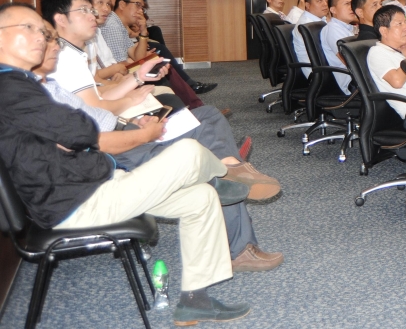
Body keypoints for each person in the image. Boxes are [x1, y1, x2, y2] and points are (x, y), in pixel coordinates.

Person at [0, 3, 250, 325]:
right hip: (76, 203)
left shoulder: (23, 84)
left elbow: (74, 131)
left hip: (90, 185)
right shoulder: (11, 87)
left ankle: (196, 299)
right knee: (188, 151)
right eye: (27, 28)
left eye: (43, 31)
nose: (40, 38)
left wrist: (70, 135)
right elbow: (80, 129)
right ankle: (221, 176)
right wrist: (73, 134)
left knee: (200, 199)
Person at [33, 27, 282, 271]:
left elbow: (95, 113)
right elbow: (90, 140)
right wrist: (142, 132)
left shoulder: (52, 85)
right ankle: (231, 185)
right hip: (109, 154)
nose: (57, 46)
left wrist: (132, 121)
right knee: (204, 159)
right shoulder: (32, 96)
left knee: (208, 116)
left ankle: (229, 165)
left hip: (121, 132)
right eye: (50, 41)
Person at [41, 0, 281, 198]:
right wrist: (130, 102)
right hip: (112, 141)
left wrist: (136, 78)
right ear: (61, 19)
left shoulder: (72, 53)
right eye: (86, 10)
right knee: (205, 125)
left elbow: (95, 100)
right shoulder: (63, 58)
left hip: (117, 127)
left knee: (206, 118)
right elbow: (97, 109)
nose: (95, 14)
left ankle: (229, 166)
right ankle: (229, 165)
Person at [112, 0, 215, 94]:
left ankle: (189, 97)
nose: (140, 11)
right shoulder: (113, 24)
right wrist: (146, 62)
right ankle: (188, 98)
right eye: (137, 5)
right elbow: (121, 64)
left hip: (124, 68)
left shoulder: (120, 25)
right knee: (158, 71)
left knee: (160, 64)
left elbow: (137, 57)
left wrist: (143, 31)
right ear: (122, 5)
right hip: (116, 75)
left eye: (142, 7)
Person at [367, 5, 406, 133]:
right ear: (384, 31)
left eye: (405, 22)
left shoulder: (403, 50)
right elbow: (397, 82)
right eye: (399, 24)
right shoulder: (377, 52)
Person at [322, 0, 359, 93]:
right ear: (333, 10)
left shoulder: (347, 27)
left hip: (357, 76)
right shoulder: (333, 29)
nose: (352, 7)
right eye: (347, 4)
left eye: (352, 4)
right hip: (352, 82)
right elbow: (349, 61)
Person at [293, 0, 329, 78]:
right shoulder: (307, 25)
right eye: (319, 1)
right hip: (317, 72)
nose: (325, 4)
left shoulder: (319, 20)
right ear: (308, 5)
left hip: (323, 66)